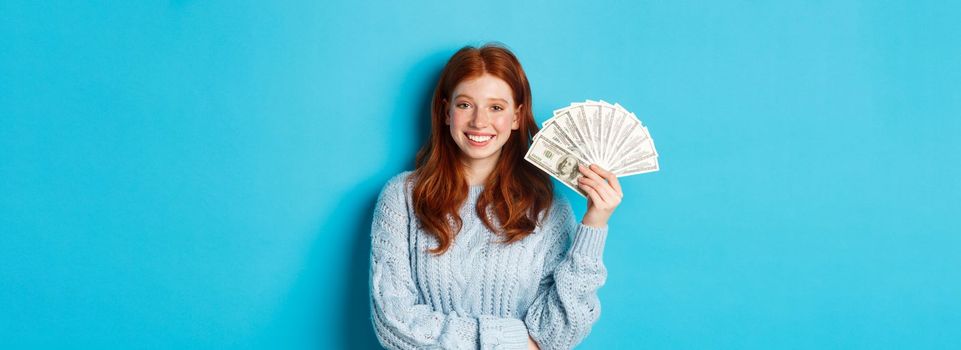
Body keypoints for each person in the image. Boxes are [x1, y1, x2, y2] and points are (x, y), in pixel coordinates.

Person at [369, 43, 624, 350]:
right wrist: (513, 340)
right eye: (465, 105)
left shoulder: (547, 208)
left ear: (516, 117)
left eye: (496, 107)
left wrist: (595, 222)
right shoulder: (401, 199)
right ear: (446, 112)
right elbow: (393, 326)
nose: (479, 122)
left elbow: (557, 336)